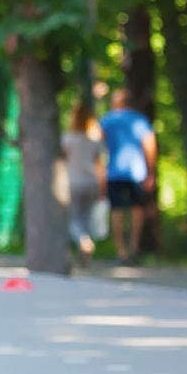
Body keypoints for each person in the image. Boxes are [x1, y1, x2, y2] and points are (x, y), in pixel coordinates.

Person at [100, 88, 157, 264]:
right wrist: (151, 172)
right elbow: (150, 145)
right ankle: (134, 248)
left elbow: (97, 146)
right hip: (136, 172)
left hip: (114, 172)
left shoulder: (107, 120)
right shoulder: (139, 120)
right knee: (136, 210)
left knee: (116, 211)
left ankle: (121, 252)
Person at [61, 101, 106, 263]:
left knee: (73, 218)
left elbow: (63, 162)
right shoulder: (94, 142)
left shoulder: (67, 140)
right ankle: (85, 246)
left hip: (74, 182)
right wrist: (103, 186)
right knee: (86, 217)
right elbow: (100, 166)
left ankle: (82, 241)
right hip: (91, 182)